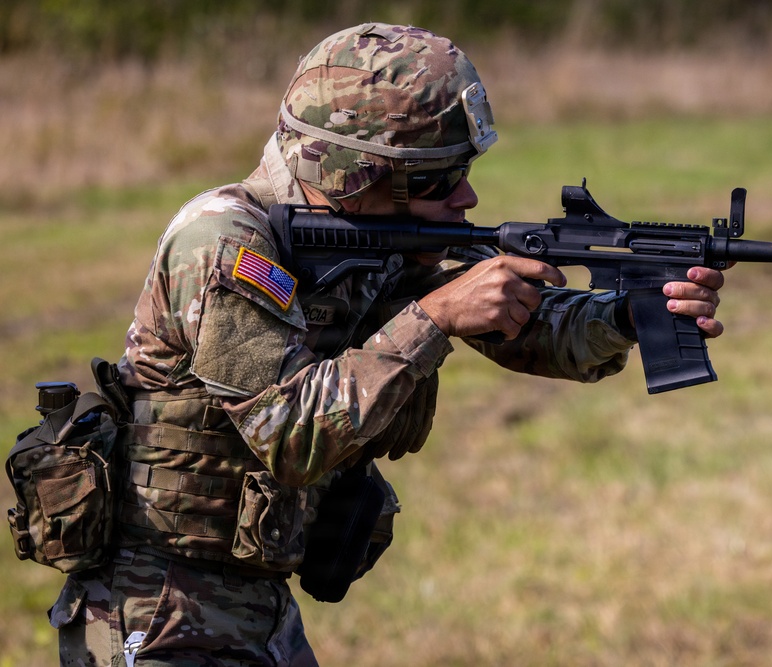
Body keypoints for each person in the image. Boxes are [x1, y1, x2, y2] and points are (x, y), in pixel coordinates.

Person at [46, 22, 726, 666]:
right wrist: (433, 318)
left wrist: (629, 314)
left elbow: (525, 324)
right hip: (154, 605)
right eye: (437, 178)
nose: (466, 195)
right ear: (358, 172)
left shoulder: (377, 230)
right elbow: (288, 432)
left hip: (252, 598)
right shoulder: (224, 244)